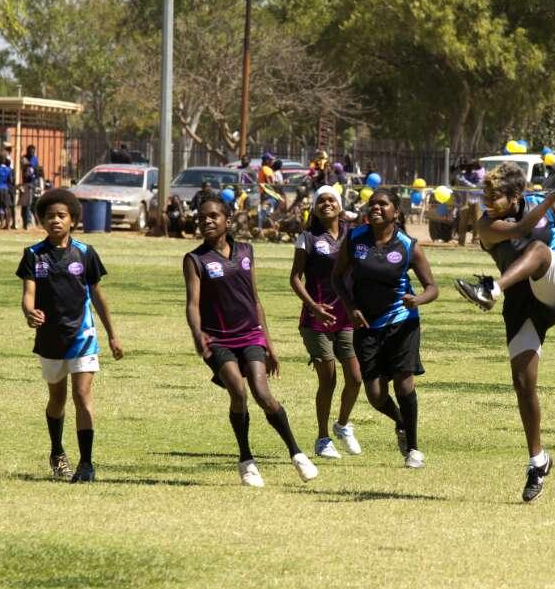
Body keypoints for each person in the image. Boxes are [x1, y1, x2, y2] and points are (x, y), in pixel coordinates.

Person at [453, 164, 555, 501]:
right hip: (522, 303)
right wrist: (553, 197)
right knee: (524, 385)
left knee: (540, 252)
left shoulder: (541, 201)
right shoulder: (487, 224)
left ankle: (490, 290)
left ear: (516, 196)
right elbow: (522, 227)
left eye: (494, 196)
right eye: (486, 195)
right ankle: (538, 461)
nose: (487, 201)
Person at [184, 195, 319, 487]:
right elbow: (192, 304)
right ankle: (246, 461)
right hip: (217, 338)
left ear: (227, 221)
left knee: (262, 393)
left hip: (250, 334)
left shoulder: (246, 251)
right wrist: (197, 334)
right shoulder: (195, 259)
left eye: (213, 216)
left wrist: (270, 345)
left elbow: (255, 301)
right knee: (239, 392)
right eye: (202, 217)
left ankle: (296, 453)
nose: (207, 221)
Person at [16, 189, 124, 483]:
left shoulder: (86, 254)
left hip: (83, 336)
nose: (55, 221)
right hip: (50, 340)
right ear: (42, 220)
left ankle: (87, 464)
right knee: (57, 400)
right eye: (49, 216)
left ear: (73, 220)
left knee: (82, 394)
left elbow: (98, 297)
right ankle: (57, 450)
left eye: (61, 216)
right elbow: (28, 295)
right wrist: (29, 312)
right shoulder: (33, 255)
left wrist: (113, 335)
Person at [331, 188, 439, 468]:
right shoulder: (354, 239)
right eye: (372, 203)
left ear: (396, 212)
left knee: (404, 385)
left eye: (383, 204)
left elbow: (432, 288)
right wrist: (350, 307)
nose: (376, 207)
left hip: (402, 320)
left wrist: (417, 301)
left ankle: (414, 449)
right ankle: (401, 421)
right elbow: (337, 278)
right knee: (376, 395)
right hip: (366, 324)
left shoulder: (408, 245)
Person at [289, 186, 362, 460]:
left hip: (346, 316)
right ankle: (322, 438)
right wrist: (314, 307)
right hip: (315, 320)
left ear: (340, 206)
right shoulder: (307, 238)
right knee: (328, 380)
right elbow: (295, 277)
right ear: (315, 207)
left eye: (331, 199)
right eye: (321, 200)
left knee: (355, 377)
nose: (327, 204)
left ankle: (342, 425)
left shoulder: (353, 236)